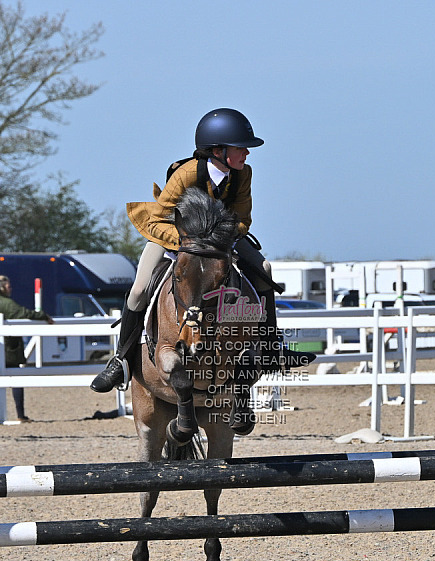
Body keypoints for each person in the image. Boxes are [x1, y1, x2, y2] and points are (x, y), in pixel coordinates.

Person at [90, 107, 317, 393]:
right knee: (138, 289)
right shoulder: (186, 174)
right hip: (172, 236)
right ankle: (120, 360)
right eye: (241, 148)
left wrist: (221, 239)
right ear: (218, 150)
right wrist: (189, 243)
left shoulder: (243, 174)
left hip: (220, 242)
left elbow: (243, 217)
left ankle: (273, 348)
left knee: (265, 270)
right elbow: (158, 217)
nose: (247, 154)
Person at [0, 275, 53, 423]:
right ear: (2, 288)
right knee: (15, 379)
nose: (10, 289)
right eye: (8, 287)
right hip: (7, 348)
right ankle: (20, 414)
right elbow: (24, 313)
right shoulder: (7, 303)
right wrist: (43, 316)